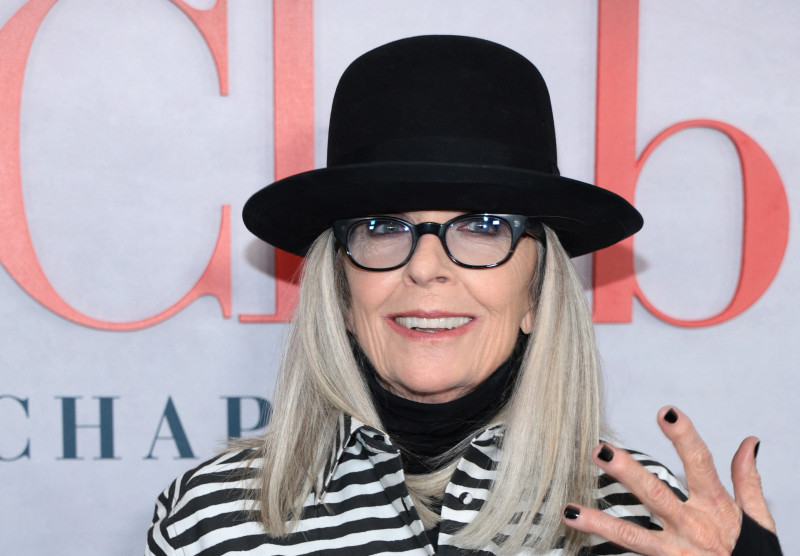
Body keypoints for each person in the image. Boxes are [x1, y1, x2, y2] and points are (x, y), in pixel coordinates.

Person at [145, 35, 781, 555]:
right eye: (382, 228)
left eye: (482, 227)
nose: (426, 269)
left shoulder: (651, 521)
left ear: (536, 293)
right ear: (340, 290)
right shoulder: (212, 519)